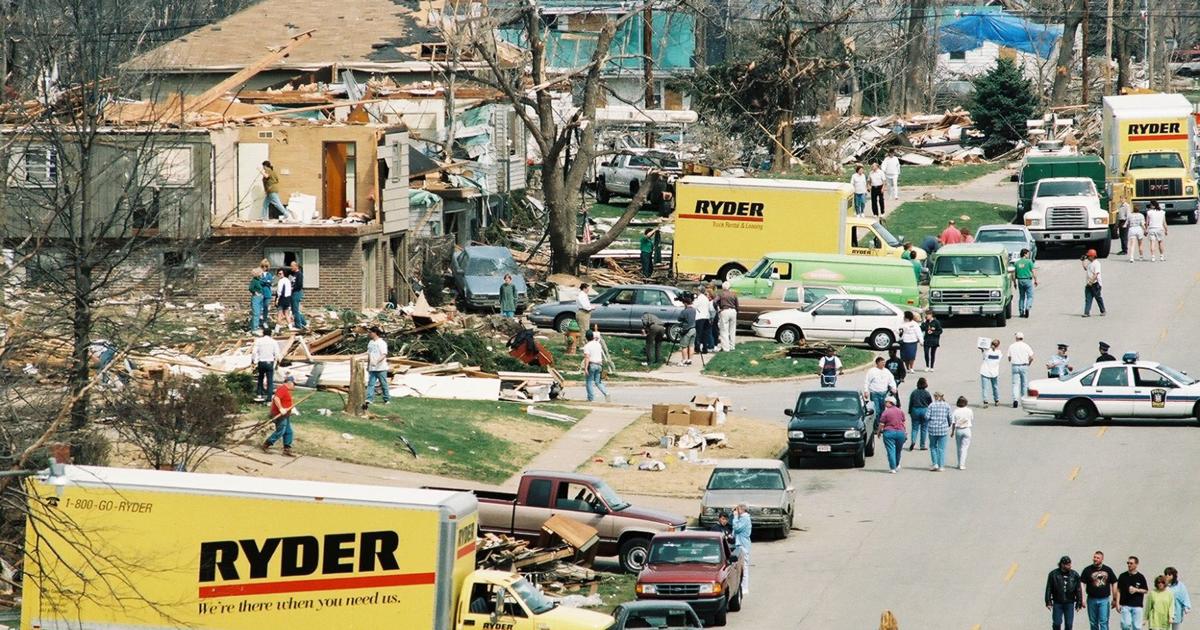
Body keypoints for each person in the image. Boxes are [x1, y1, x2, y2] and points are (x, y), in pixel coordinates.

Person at [1082, 551, 1119, 630]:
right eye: (1094, 557)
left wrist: (1115, 598)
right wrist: (1082, 598)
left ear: (1102, 559)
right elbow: (1082, 583)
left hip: (1104, 600)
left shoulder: (1108, 570)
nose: (1095, 559)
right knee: (1093, 622)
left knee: (1103, 621)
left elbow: (1114, 582)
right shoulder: (1087, 570)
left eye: (1097, 558)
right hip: (1091, 599)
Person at [262, 375, 298, 456]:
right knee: (281, 430)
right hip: (278, 414)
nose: (294, 386)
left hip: (285, 415)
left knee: (289, 432)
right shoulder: (282, 389)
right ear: (289, 382)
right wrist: (281, 409)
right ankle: (267, 444)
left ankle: (287, 449)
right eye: (294, 384)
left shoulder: (286, 390)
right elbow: (276, 398)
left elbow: (285, 402)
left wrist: (291, 411)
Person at [1046, 555, 1084, 630]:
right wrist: (1048, 601)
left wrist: (1079, 602)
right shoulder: (1053, 574)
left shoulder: (1074, 575)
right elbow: (1049, 588)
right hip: (1058, 602)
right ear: (1062, 565)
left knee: (1069, 624)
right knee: (1057, 622)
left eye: (1070, 564)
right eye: (1068, 565)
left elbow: (1078, 589)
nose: (1070, 566)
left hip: (1069, 602)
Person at [1118, 556, 1150, 630]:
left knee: (1137, 627)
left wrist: (1136, 590)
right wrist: (1117, 603)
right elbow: (1118, 590)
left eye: (1131, 563)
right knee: (1125, 625)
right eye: (1128, 563)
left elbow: (1146, 590)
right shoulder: (1122, 576)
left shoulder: (1140, 577)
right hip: (1125, 605)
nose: (1129, 565)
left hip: (1137, 605)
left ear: (1136, 564)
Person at [364, 326, 390, 409]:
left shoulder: (382, 343)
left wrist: (376, 362)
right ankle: (369, 399)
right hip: (372, 368)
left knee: (383, 384)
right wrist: (368, 365)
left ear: (375, 333)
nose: (369, 334)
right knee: (371, 384)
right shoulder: (370, 343)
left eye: (370, 332)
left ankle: (386, 399)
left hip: (381, 367)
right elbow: (369, 354)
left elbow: (384, 354)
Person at [878, 397, 907, 473]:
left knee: (891, 450)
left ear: (890, 403)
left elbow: (881, 424)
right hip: (900, 432)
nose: (885, 403)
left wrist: (878, 432)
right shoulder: (900, 411)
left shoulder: (886, 412)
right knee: (898, 450)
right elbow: (903, 422)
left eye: (886, 402)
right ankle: (897, 465)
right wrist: (905, 432)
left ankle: (892, 467)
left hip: (889, 432)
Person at [925, 392, 952, 471]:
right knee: (942, 448)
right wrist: (949, 424)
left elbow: (927, 417)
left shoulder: (931, 405)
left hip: (932, 428)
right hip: (943, 429)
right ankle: (941, 466)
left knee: (933, 447)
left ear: (935, 397)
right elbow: (950, 417)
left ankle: (935, 463)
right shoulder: (947, 405)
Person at [251, 327, 278, 403]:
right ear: (270, 334)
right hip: (270, 362)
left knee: (260, 378)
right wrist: (276, 362)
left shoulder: (259, 341)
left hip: (261, 362)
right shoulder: (273, 342)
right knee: (270, 381)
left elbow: (254, 352)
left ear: (263, 333)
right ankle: (269, 398)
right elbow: (277, 353)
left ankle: (259, 394)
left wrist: (254, 361)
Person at [581, 330, 609, 402]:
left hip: (592, 365)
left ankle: (591, 398)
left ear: (586, 338)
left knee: (589, 381)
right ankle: (606, 393)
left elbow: (587, 357)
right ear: (593, 337)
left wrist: (586, 368)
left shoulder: (587, 346)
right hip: (599, 365)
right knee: (598, 382)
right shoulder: (598, 344)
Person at [1008, 332, 1035, 407]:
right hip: (1024, 365)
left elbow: (1009, 358)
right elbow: (1032, 357)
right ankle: (1023, 399)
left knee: (1015, 384)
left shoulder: (1012, 346)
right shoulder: (1026, 346)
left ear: (1016, 338)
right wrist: (1029, 363)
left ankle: (1015, 399)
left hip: (1015, 366)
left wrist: (1012, 358)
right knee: (1024, 383)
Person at [731, 504, 752, 596]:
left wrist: (735, 516)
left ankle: (745, 588)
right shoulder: (741, 518)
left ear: (742, 510)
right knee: (737, 566)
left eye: (738, 509)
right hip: (739, 544)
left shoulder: (745, 518)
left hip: (743, 545)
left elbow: (737, 528)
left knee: (744, 566)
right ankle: (740, 586)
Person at [907, 377, 932, 452]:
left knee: (915, 428)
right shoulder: (927, 393)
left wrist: (910, 411)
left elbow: (911, 402)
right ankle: (922, 445)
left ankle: (913, 441)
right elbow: (930, 403)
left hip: (915, 410)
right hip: (924, 410)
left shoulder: (914, 392)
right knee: (924, 428)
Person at [1013, 249, 1038, 318]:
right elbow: (1033, 271)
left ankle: (1021, 311)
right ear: (1024, 254)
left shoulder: (1016, 263)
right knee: (1030, 296)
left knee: (1022, 297)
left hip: (1020, 281)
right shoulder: (1029, 262)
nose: (1028, 255)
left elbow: (1013, 274)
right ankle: (1027, 307)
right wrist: (1036, 280)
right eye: (1027, 254)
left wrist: (1014, 283)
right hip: (1027, 280)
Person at [715, 282, 739, 352]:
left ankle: (726, 347)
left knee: (724, 330)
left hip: (725, 311)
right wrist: (737, 311)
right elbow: (737, 304)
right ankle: (732, 346)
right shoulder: (734, 294)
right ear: (729, 287)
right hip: (733, 311)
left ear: (723, 288)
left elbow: (714, 301)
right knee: (732, 330)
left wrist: (718, 309)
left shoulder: (721, 294)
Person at [951, 395, 973, 469]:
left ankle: (959, 463)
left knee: (959, 447)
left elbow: (953, 423)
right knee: (964, 448)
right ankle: (962, 464)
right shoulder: (969, 410)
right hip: (967, 429)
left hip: (958, 430)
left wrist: (952, 432)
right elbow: (971, 418)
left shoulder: (956, 411)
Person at [1082, 249, 1106, 317]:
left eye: (1089, 256)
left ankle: (1103, 310)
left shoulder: (1097, 263)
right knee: (1088, 298)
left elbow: (1096, 274)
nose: (1088, 257)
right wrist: (1083, 261)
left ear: (1092, 256)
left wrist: (1091, 282)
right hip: (1089, 283)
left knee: (1098, 297)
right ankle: (1086, 313)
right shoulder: (1090, 263)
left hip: (1096, 284)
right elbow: (1085, 268)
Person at [979, 338, 1002, 407]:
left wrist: (982, 349)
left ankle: (985, 401)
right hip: (994, 372)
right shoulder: (999, 353)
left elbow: (984, 355)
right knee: (995, 386)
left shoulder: (987, 352)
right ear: (998, 346)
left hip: (985, 371)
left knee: (985, 388)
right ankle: (997, 400)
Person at [677, 294, 697, 366]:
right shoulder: (694, 310)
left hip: (687, 330)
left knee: (684, 346)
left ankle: (684, 360)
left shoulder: (685, 311)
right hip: (693, 329)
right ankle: (689, 360)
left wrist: (684, 309)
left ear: (685, 303)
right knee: (691, 345)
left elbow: (679, 319)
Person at [692, 287, 712, 355]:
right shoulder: (706, 298)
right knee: (705, 334)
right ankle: (705, 348)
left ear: (699, 291)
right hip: (706, 317)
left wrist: (693, 301)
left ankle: (697, 349)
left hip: (699, 317)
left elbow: (694, 306)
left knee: (698, 334)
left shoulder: (699, 298)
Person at [289, 261, 307, 330]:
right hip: (293, 293)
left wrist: (292, 288)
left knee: (295, 309)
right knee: (294, 309)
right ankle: (304, 322)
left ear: (296, 266)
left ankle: (298, 325)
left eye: (292, 266)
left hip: (297, 292)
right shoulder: (293, 274)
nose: (291, 267)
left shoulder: (299, 274)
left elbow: (299, 285)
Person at [248, 268, 264, 332]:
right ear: (258, 273)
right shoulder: (254, 280)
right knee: (256, 313)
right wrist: (255, 292)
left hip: (260, 298)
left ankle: (256, 326)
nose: (261, 274)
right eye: (260, 273)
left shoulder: (259, 280)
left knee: (259, 313)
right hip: (256, 298)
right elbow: (250, 288)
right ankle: (254, 329)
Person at [258, 259, 273, 324]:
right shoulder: (259, 274)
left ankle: (265, 320)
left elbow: (270, 283)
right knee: (260, 307)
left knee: (266, 307)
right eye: (263, 266)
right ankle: (259, 321)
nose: (264, 268)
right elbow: (259, 282)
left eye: (266, 266)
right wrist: (266, 282)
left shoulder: (269, 274)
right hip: (260, 292)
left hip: (267, 293)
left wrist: (264, 281)